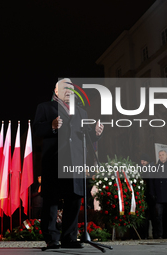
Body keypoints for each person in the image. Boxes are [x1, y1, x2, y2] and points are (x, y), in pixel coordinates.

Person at [33, 78, 103, 250]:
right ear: (56, 91)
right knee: (52, 200)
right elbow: (36, 130)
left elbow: (83, 137)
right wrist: (52, 125)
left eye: (71, 88)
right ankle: (52, 238)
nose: (69, 90)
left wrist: (95, 134)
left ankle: (69, 238)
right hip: (54, 161)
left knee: (74, 199)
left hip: (76, 162)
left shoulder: (81, 112)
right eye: (65, 88)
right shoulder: (45, 107)